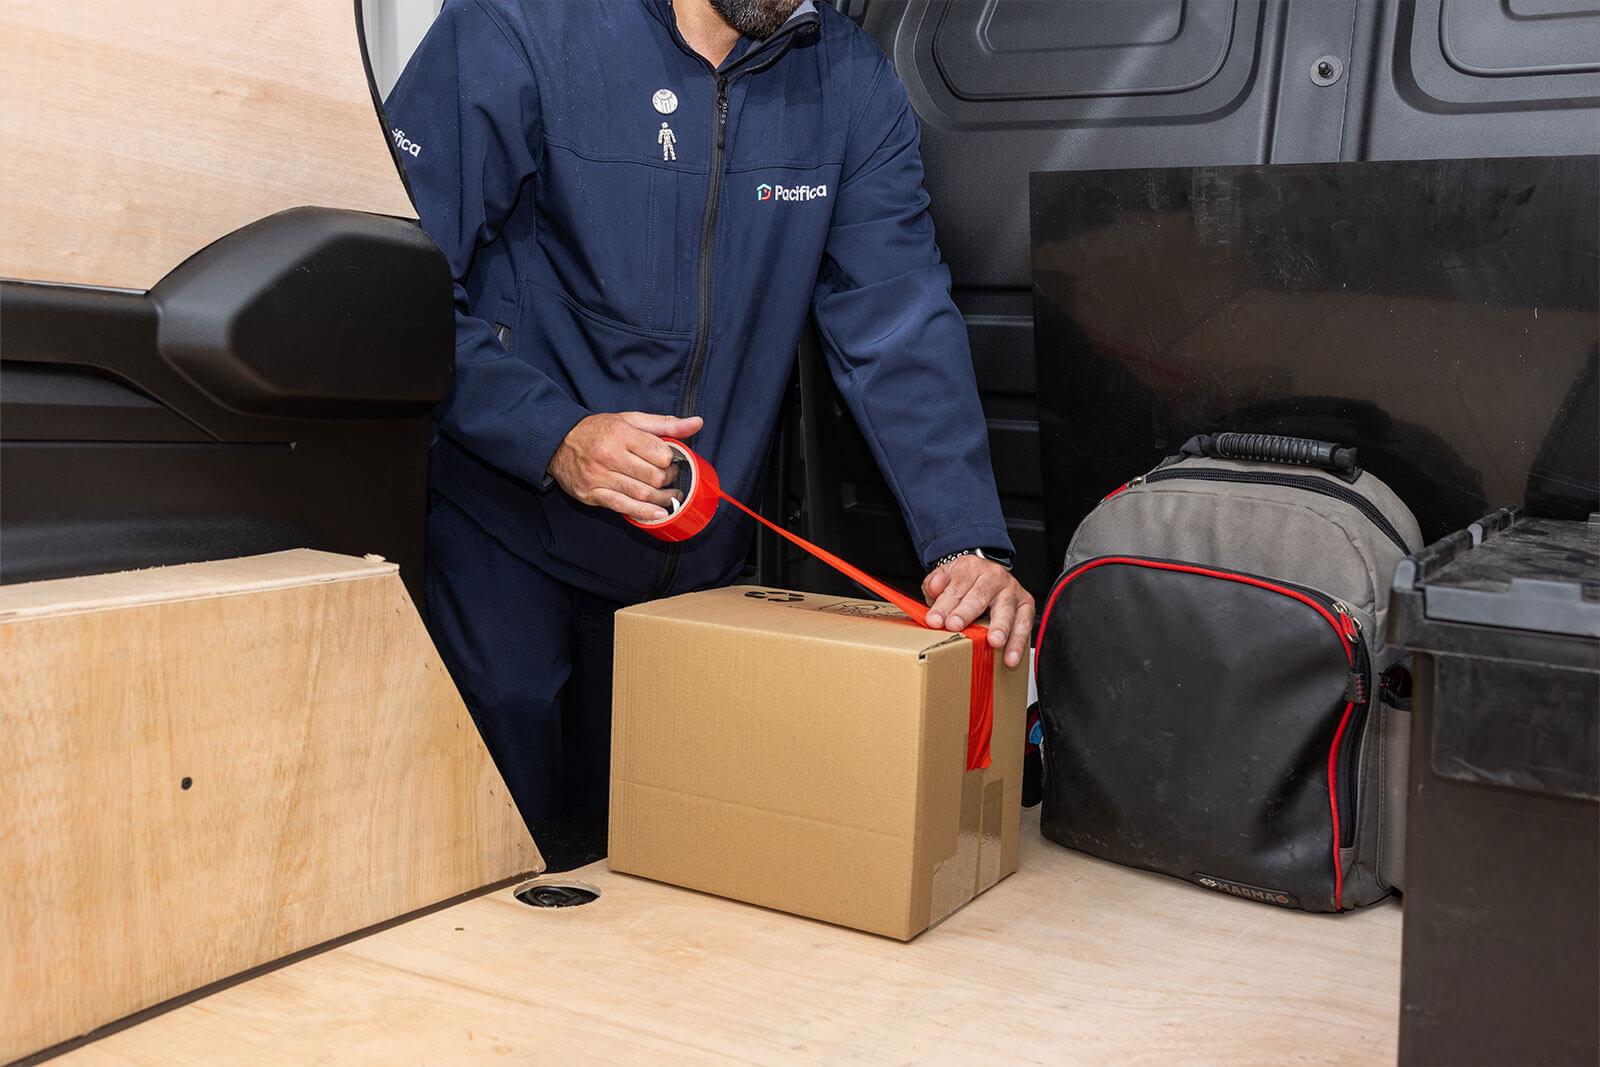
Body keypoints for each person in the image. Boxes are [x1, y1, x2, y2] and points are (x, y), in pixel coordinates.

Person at [385, 0, 1034, 868]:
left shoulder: (846, 78)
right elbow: (403, 278)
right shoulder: (518, 27)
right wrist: (552, 434)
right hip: (504, 539)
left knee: (665, 889)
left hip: (694, 578)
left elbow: (898, 322)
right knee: (490, 874)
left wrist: (964, 538)